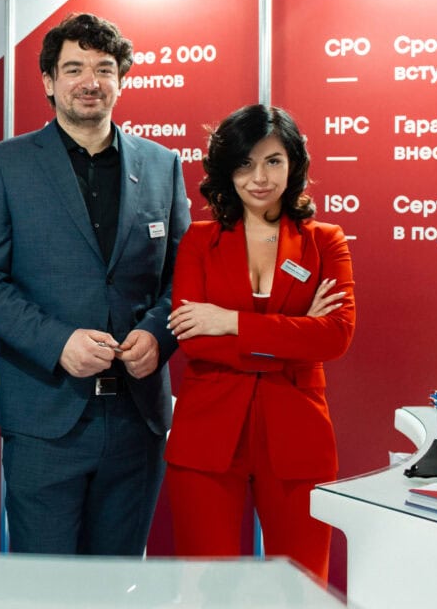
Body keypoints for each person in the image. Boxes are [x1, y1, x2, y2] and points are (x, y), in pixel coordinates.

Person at [0, 12, 189, 556]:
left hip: (136, 418)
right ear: (48, 81)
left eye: (104, 69)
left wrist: (159, 334)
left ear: (121, 80)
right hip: (46, 417)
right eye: (74, 69)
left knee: (117, 581)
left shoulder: (162, 165)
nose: (90, 81)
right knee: (45, 585)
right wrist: (57, 342)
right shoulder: (5, 164)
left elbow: (184, 275)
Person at [165, 104, 356, 581]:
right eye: (245, 163)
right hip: (207, 437)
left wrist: (229, 320)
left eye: (273, 161)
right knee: (205, 588)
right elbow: (194, 340)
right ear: (226, 169)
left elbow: (335, 336)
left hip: (298, 436)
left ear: (294, 164)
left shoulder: (325, 241)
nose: (259, 178)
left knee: (301, 586)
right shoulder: (199, 241)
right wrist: (296, 332)